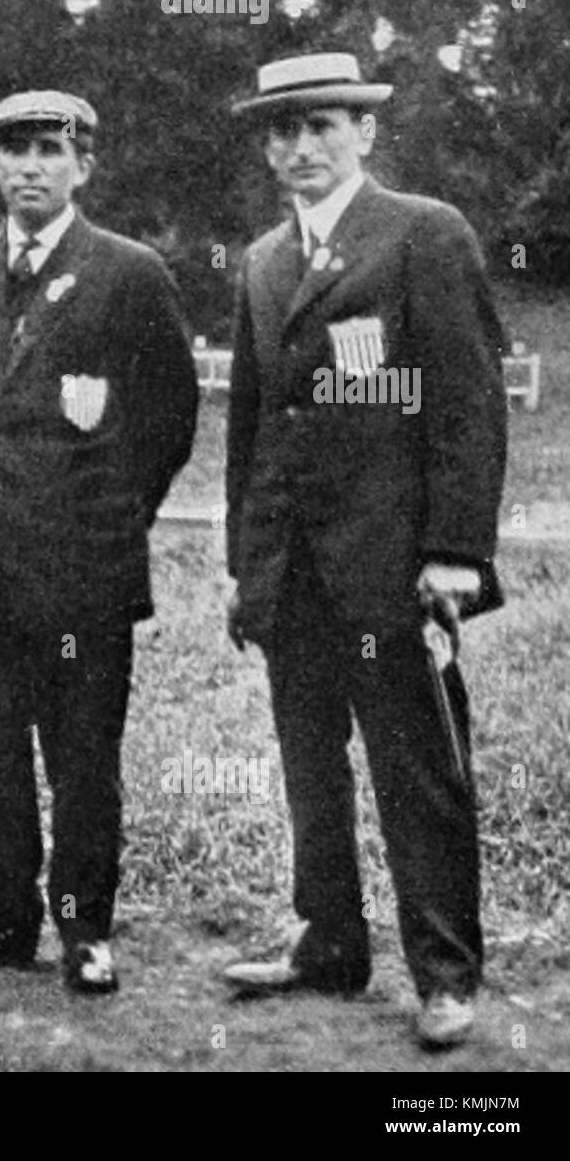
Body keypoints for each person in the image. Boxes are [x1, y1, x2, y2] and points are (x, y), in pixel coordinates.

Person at [222, 53, 508, 1048]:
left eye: (321, 125)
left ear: (364, 132)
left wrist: (453, 555)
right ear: (267, 145)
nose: (301, 146)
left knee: (417, 769)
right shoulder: (262, 260)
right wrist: (244, 564)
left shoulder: (422, 234)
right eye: (282, 130)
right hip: (293, 567)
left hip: (390, 565)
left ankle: (443, 971)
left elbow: (467, 408)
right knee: (310, 765)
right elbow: (254, 427)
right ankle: (326, 941)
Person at [0, 91, 199, 993]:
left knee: (82, 759)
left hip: (84, 570)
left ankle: (86, 928)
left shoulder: (130, 271)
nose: (31, 166)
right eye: (13, 152)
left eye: (50, 149)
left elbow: (168, 418)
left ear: (84, 164)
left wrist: (109, 514)